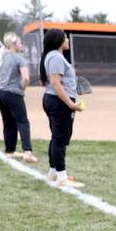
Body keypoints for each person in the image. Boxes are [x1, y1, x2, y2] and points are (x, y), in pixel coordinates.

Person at [39, 28, 84, 188]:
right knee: (60, 138)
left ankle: (54, 171)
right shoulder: (56, 57)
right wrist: (70, 104)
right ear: (58, 41)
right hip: (59, 102)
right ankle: (62, 178)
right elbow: (55, 82)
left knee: (56, 137)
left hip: (53, 100)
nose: (68, 40)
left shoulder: (54, 57)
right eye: (65, 38)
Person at [0, 32, 35, 163]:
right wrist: (21, 88)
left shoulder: (1, 57)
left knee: (8, 122)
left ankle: (10, 151)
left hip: (0, 93)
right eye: (19, 42)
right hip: (13, 94)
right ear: (13, 44)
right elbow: (26, 78)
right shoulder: (19, 59)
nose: (20, 44)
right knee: (22, 122)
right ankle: (27, 152)